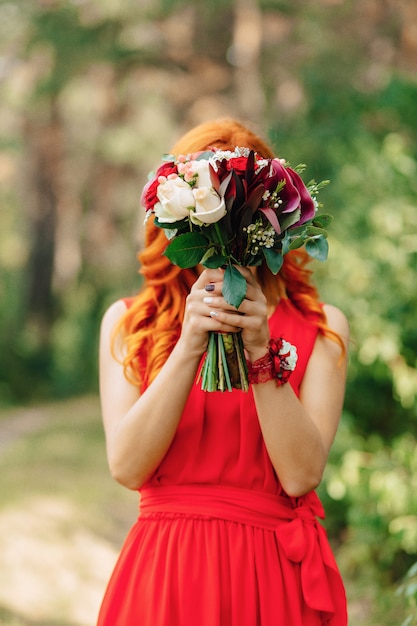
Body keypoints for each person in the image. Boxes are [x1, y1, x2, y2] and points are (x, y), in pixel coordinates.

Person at [97, 118, 349, 626]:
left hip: (270, 578)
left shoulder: (322, 329)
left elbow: (302, 475)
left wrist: (260, 350)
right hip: (166, 574)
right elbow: (127, 467)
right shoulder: (132, 322)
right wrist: (190, 343)